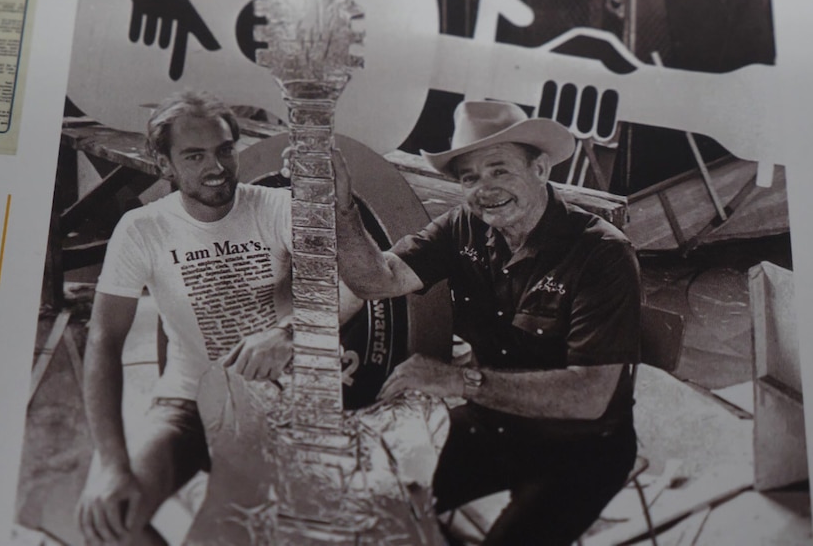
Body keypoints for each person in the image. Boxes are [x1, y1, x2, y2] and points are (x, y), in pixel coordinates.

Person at [334, 100, 641, 545]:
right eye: (470, 177)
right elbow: (375, 280)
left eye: (499, 170)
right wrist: (342, 209)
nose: (485, 189)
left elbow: (590, 396)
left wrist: (460, 381)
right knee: (372, 501)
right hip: (493, 426)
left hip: (581, 448)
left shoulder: (603, 253)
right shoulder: (464, 227)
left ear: (540, 168)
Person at [75, 90, 297, 546]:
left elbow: (349, 287)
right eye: (195, 156)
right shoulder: (142, 229)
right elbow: (103, 341)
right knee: (113, 520)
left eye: (224, 151)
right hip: (188, 402)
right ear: (165, 165)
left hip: (280, 405)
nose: (216, 169)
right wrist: (113, 465)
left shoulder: (277, 208)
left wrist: (287, 333)